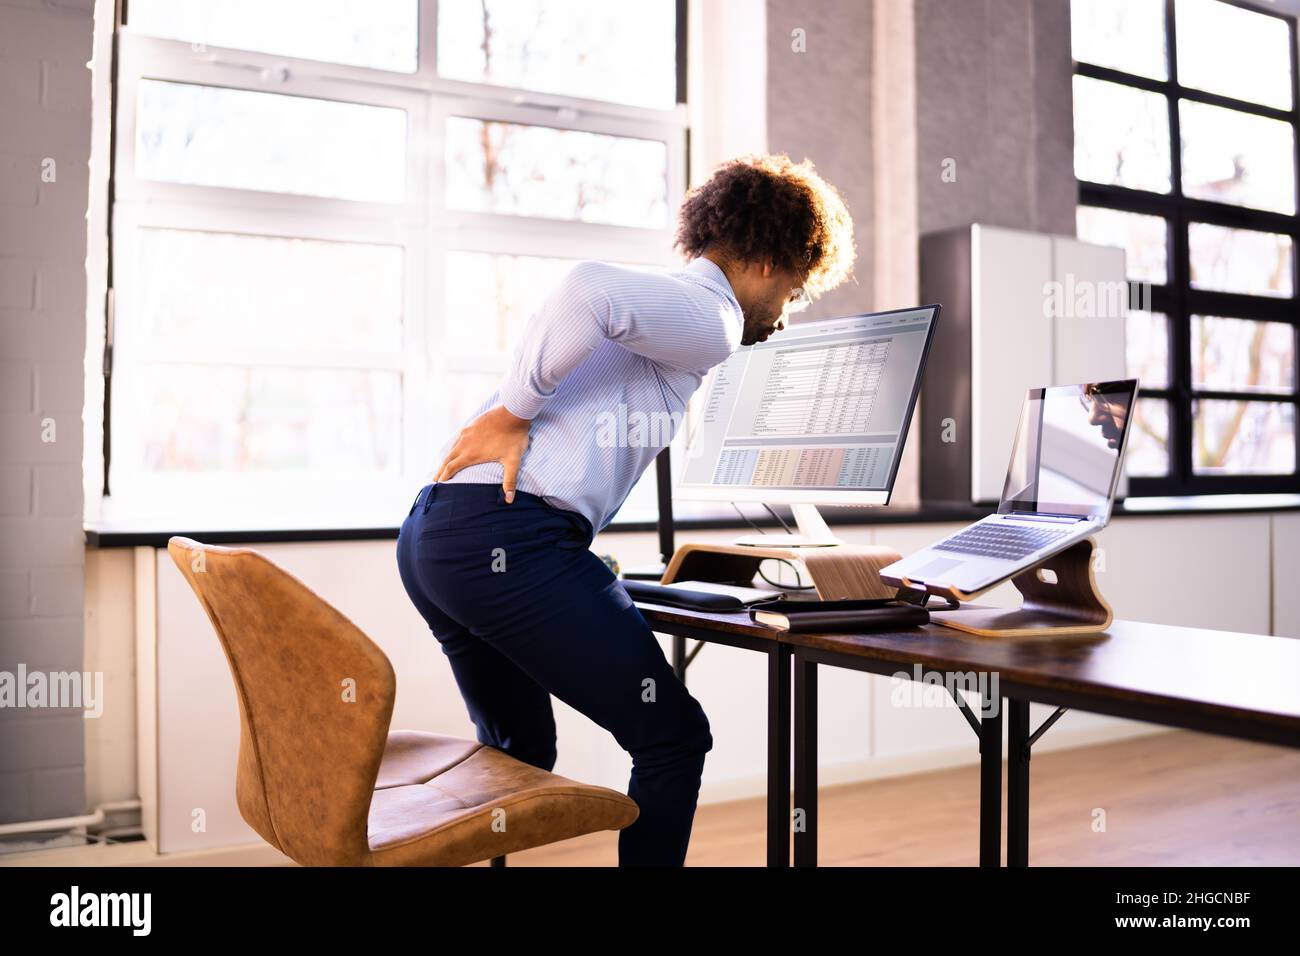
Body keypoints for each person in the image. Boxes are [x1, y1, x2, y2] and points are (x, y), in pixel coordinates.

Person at [395, 153, 856, 866]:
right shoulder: (715, 317)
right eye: (792, 293)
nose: (784, 316)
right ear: (767, 259)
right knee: (673, 739)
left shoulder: (671, 311)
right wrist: (515, 413)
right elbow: (585, 289)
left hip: (437, 538)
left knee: (521, 748)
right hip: (509, 541)